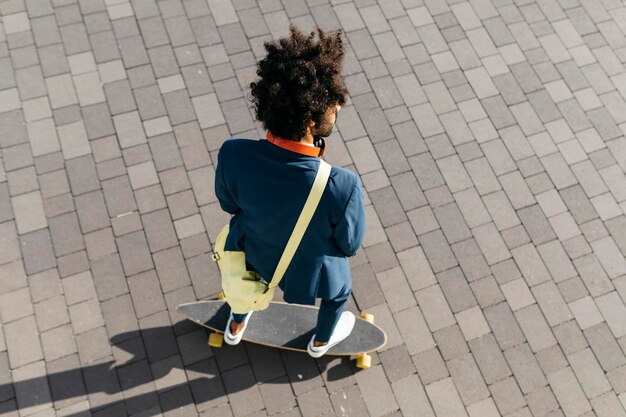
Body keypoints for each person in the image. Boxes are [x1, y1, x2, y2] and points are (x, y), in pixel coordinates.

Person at [214, 25, 367, 358]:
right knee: (339, 293)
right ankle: (320, 342)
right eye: (333, 103)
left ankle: (237, 322)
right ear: (311, 121)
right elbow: (349, 244)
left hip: (253, 254)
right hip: (308, 274)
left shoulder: (233, 152)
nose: (338, 107)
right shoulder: (342, 185)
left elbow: (230, 204)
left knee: (245, 287)